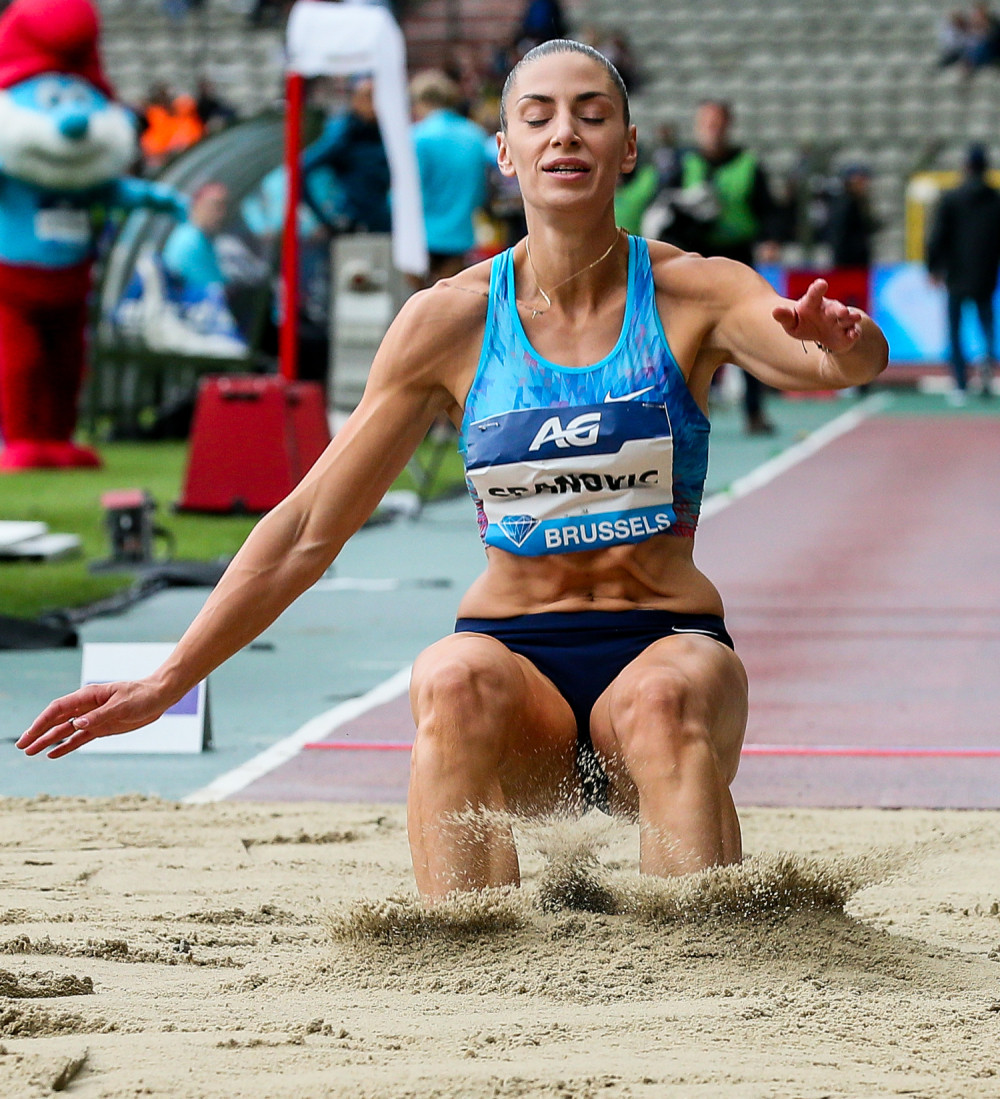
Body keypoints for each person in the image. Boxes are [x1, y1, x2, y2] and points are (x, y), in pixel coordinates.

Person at [17, 41, 888, 901]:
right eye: (538, 117)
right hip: (518, 671)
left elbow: (829, 360)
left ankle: (705, 958)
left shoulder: (697, 290)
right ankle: (462, 959)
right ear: (505, 152)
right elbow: (309, 526)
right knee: (447, 676)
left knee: (661, 701)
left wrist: (846, 343)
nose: (565, 133)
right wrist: (168, 679)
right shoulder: (450, 320)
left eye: (591, 115)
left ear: (627, 146)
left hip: (668, 647)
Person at [679, 99, 782, 434]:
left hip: (738, 259)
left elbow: (769, 209)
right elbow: (665, 206)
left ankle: (754, 413)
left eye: (718, 122)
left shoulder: (749, 164)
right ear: (698, 125)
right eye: (707, 122)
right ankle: (683, 416)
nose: (713, 129)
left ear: (728, 125)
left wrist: (770, 239)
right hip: (695, 261)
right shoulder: (684, 164)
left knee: (749, 334)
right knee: (690, 339)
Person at [927, 142, 1000, 403]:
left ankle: (960, 383)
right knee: (986, 324)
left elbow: (937, 236)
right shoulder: (996, 199)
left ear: (967, 167)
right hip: (986, 273)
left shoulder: (952, 198)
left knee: (955, 330)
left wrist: (933, 267)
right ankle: (987, 362)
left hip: (956, 273)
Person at [410, 69, 491, 286]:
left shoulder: (417, 136)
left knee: (421, 297)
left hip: (421, 234)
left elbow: (408, 190)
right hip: (461, 231)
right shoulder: (475, 135)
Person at [302, 76, 391, 234]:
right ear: (355, 100)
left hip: (384, 224)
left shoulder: (389, 133)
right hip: (351, 226)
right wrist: (324, 219)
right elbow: (301, 169)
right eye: (369, 97)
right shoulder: (343, 134)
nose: (375, 103)